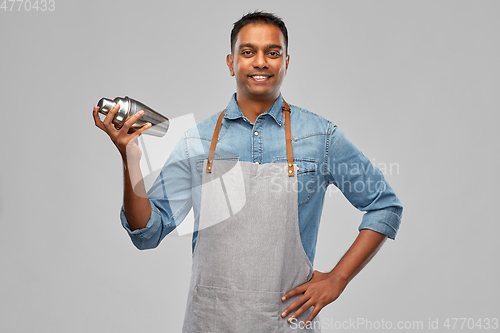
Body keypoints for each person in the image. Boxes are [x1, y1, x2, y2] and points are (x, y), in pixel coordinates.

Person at [93, 11, 403, 332]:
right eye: (248, 52)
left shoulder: (319, 137)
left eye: (272, 53)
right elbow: (147, 231)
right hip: (210, 322)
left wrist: (338, 278)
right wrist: (130, 156)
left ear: (286, 62)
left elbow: (384, 206)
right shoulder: (197, 141)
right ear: (231, 63)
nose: (261, 62)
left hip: (285, 324)